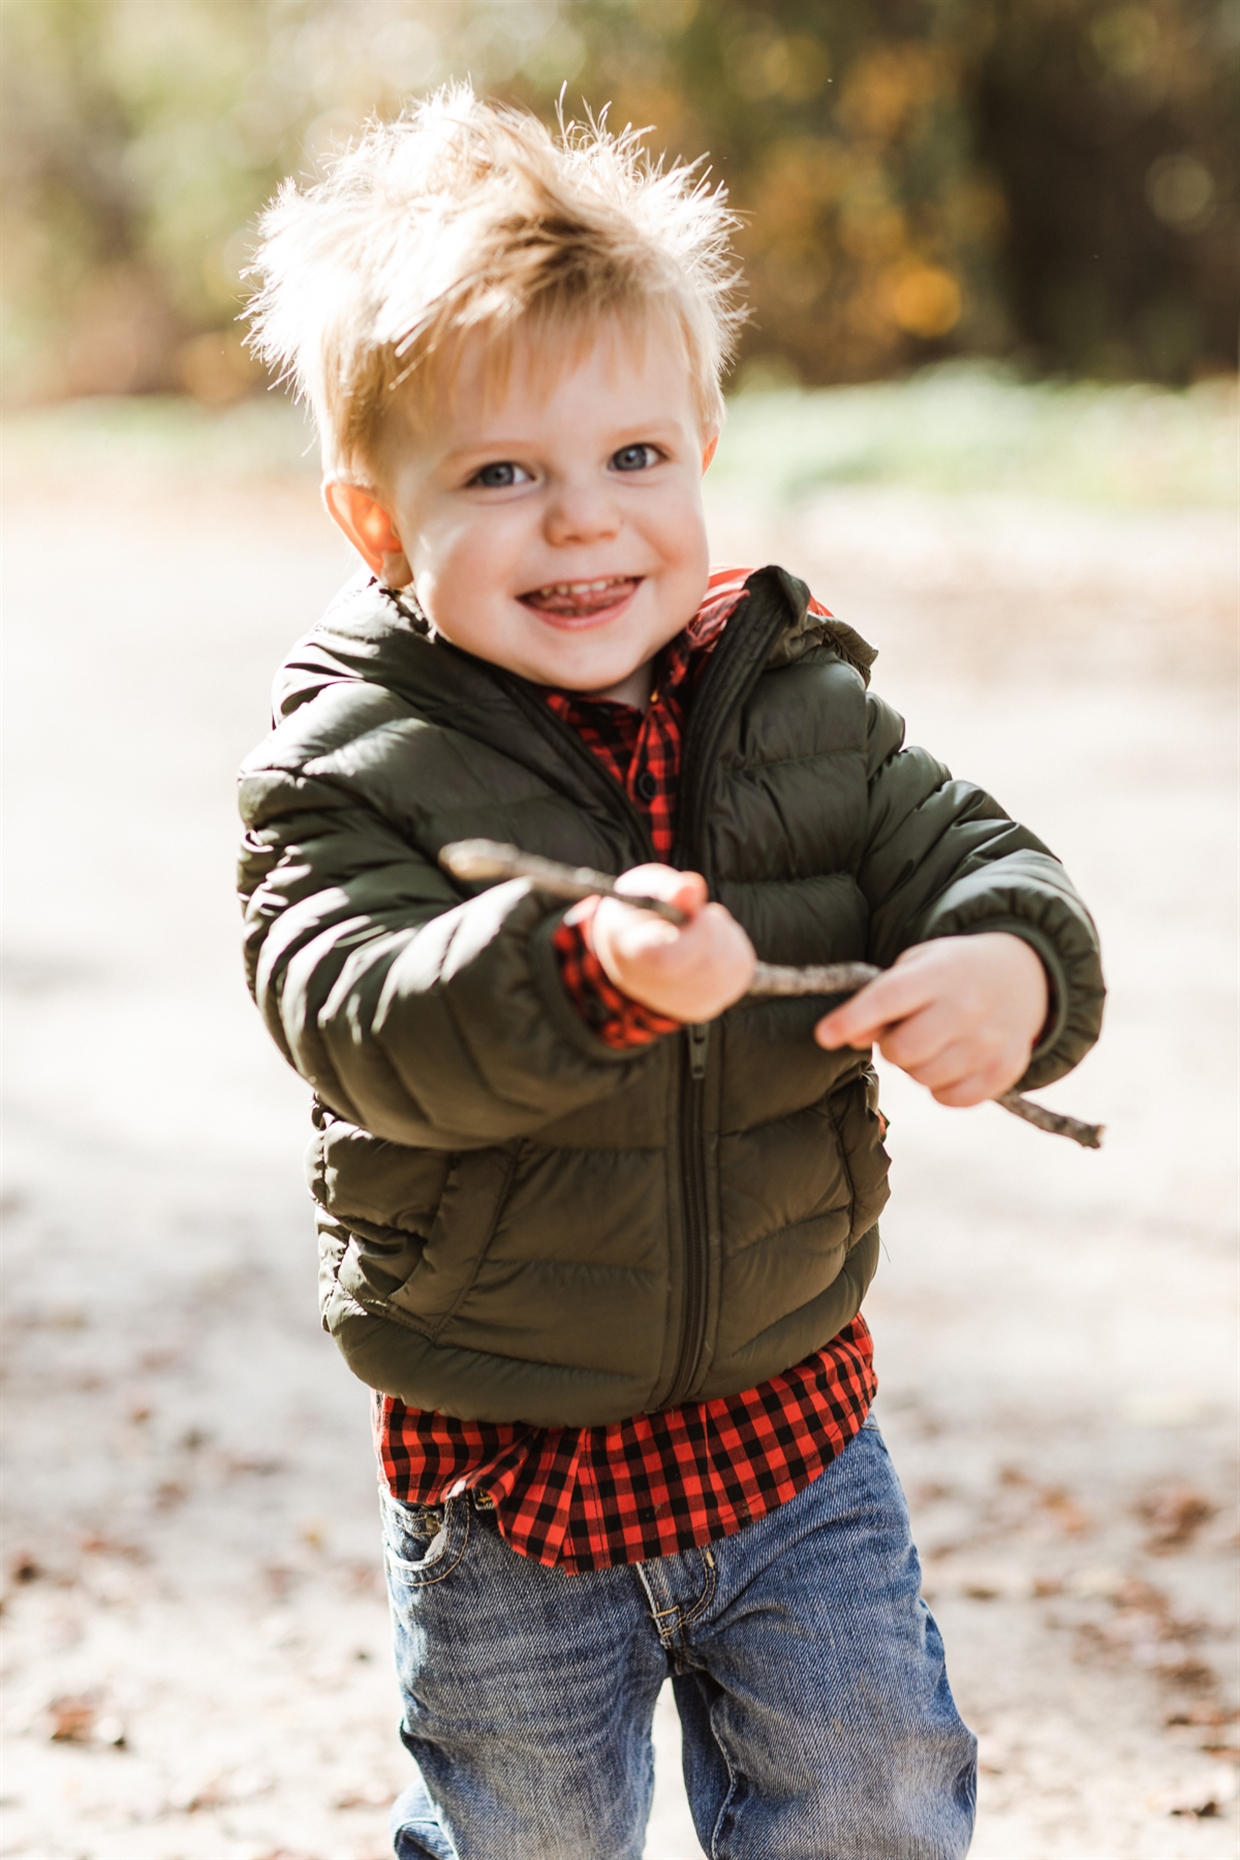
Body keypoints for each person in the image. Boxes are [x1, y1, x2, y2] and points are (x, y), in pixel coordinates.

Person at [239, 86, 1104, 1860]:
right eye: (503, 475)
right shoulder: (345, 765)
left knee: (867, 1798)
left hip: (796, 1436)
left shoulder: (794, 699)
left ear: (704, 440)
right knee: (525, 1829)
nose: (585, 525)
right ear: (374, 521)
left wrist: (1007, 963)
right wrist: (585, 976)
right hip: (511, 1471)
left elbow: (978, 851)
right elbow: (361, 1016)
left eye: (636, 459)